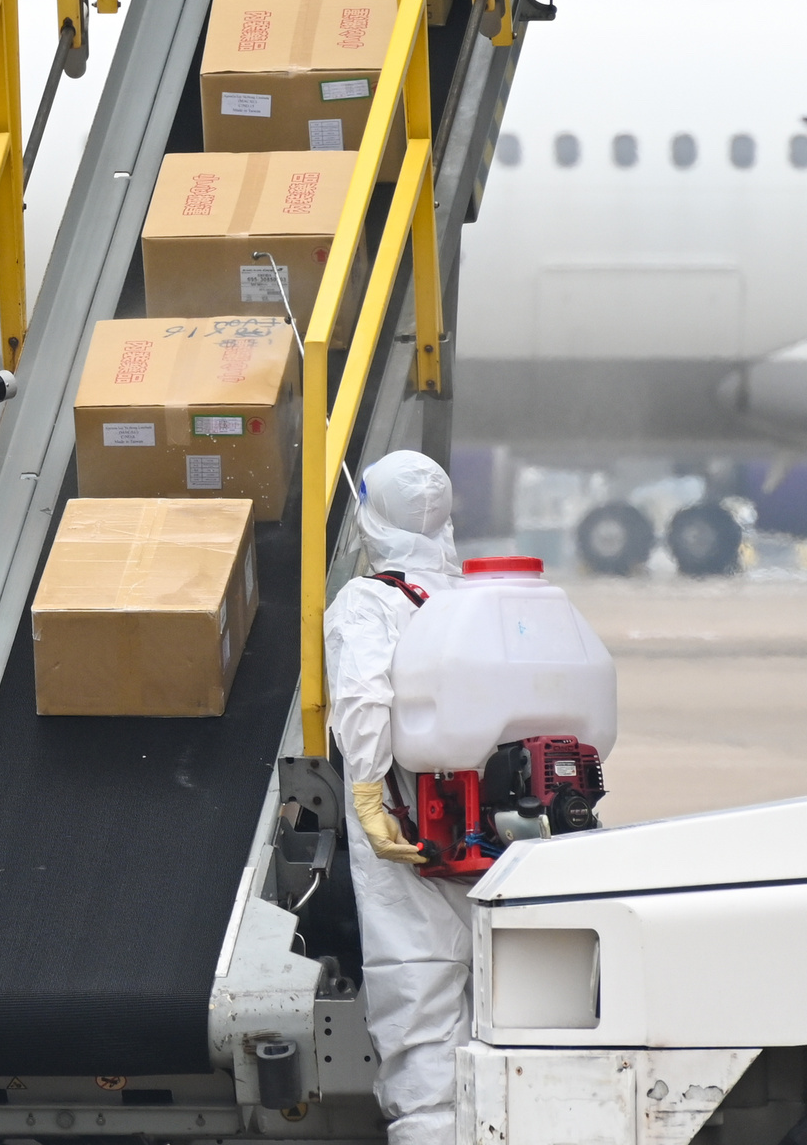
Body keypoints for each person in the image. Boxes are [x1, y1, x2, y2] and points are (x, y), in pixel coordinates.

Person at [323, 450, 472, 1145]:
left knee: (417, 991)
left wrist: (367, 789)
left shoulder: (370, 602)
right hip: (498, 833)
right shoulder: (482, 599)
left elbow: (363, 699)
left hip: (410, 823)